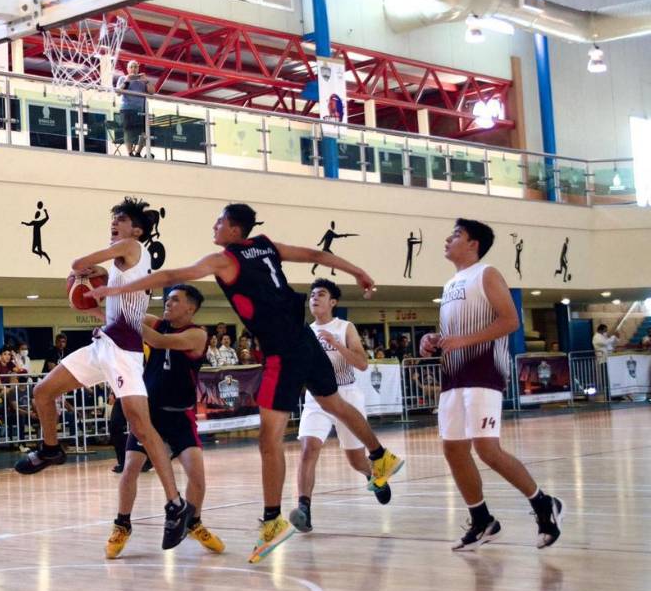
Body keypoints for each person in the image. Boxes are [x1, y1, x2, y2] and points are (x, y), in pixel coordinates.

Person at [89, 203, 403, 564]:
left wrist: (115, 290)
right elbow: (317, 255)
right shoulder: (267, 245)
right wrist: (358, 271)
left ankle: (272, 522)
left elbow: (171, 274)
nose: (214, 226)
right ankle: (379, 455)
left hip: (282, 350)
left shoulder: (226, 259)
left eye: (219, 221)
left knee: (269, 441)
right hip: (305, 339)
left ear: (234, 230)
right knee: (335, 405)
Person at [14, 197, 194, 552]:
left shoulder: (132, 248)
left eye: (121, 219)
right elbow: (115, 315)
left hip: (124, 355)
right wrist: (92, 304)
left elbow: (77, 264)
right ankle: (51, 449)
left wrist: (81, 274)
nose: (114, 224)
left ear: (136, 230)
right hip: (104, 346)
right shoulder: (123, 268)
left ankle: (175, 504)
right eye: (113, 219)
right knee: (43, 392)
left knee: (142, 429)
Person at [420, 218, 563, 551]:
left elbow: (511, 321)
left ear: (473, 244)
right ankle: (482, 520)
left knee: (487, 449)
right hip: (453, 377)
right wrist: (434, 339)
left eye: (456, 235)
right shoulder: (450, 284)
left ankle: (544, 504)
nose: (448, 240)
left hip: (483, 374)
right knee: (453, 449)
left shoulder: (486, 273)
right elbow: (455, 334)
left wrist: (463, 340)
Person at [106, 284, 224, 559]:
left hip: (180, 415)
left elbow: (158, 341)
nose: (167, 303)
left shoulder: (197, 334)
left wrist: (129, 323)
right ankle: (122, 525)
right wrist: (104, 305)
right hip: (150, 414)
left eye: (174, 300)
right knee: (130, 468)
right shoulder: (157, 322)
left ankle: (193, 523)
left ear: (190, 308)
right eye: (167, 299)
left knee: (197, 476)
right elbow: (124, 317)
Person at [289, 279, 395, 534]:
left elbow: (362, 364)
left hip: (346, 395)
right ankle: (304, 509)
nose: (315, 298)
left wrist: (336, 344)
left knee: (356, 460)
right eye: (312, 295)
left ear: (333, 302)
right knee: (308, 449)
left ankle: (373, 474)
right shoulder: (305, 332)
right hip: (317, 398)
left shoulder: (345, 327)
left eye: (321, 294)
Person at [116, 60, 155, 158]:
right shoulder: (123, 78)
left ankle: (138, 153)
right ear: (127, 69)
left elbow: (152, 92)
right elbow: (118, 92)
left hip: (141, 110)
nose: (133, 69)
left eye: (135, 67)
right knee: (128, 131)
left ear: (138, 68)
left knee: (144, 132)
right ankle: (130, 153)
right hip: (127, 109)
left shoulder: (142, 81)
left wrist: (146, 81)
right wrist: (127, 80)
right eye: (131, 67)